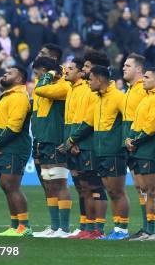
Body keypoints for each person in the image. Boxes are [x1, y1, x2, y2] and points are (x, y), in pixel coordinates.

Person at [66, 50, 111, 239]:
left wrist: (73, 139)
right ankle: (86, 226)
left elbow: (90, 121)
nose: (83, 69)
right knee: (83, 187)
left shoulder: (96, 91)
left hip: (89, 144)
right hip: (78, 143)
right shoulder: (82, 87)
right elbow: (76, 117)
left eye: (86, 66)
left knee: (95, 187)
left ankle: (97, 229)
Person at [84, 65, 129, 240]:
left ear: (100, 79)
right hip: (100, 151)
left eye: (90, 79)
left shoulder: (118, 97)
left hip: (114, 152)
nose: (88, 82)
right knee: (110, 191)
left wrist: (123, 145)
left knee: (118, 191)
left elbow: (128, 121)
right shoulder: (98, 98)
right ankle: (116, 228)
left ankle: (122, 229)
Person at [0, 65, 32, 237]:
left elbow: (14, 127)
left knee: (12, 186)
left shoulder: (20, 97)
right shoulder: (2, 97)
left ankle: (24, 226)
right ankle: (14, 226)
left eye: (10, 72)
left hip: (14, 147)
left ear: (19, 79)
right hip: (2, 146)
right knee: (6, 186)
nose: (5, 73)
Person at [125, 67, 155, 241]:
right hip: (140, 148)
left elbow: (151, 127)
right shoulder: (147, 98)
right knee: (145, 190)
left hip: (151, 150)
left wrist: (134, 141)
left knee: (154, 189)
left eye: (147, 77)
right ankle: (149, 229)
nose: (143, 80)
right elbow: (137, 124)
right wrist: (130, 138)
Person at [31, 55, 72, 238]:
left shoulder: (63, 85)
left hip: (55, 139)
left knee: (59, 181)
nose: (37, 77)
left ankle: (64, 228)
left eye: (38, 73)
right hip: (42, 140)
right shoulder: (42, 86)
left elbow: (41, 89)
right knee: (48, 182)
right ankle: (54, 227)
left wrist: (50, 74)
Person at [120, 53, 148, 240]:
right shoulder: (129, 90)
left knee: (147, 187)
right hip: (129, 143)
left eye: (128, 65)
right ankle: (147, 227)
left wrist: (136, 139)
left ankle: (154, 227)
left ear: (139, 69)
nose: (124, 68)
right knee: (139, 187)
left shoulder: (144, 89)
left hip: (140, 143)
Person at [61, 57, 89, 238]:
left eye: (70, 68)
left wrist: (74, 141)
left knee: (88, 186)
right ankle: (84, 225)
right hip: (71, 142)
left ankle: (92, 226)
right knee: (79, 186)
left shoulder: (85, 90)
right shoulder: (71, 89)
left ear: (80, 73)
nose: (66, 71)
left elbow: (85, 119)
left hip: (79, 144)